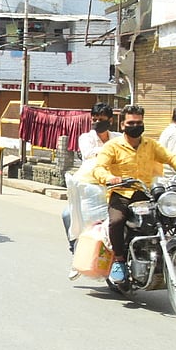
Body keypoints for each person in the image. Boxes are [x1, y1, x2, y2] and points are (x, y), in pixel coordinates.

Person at [93, 104, 176, 285]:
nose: (135, 126)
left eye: (139, 122)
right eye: (131, 122)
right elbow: (99, 168)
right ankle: (119, 260)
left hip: (145, 193)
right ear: (122, 125)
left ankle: (174, 249)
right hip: (121, 193)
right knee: (116, 221)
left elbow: (171, 157)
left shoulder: (150, 145)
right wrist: (110, 178)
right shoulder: (112, 146)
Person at [63, 102, 122, 252]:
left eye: (100, 119)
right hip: (90, 186)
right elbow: (88, 154)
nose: (96, 123)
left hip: (114, 184)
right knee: (67, 214)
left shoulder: (118, 137)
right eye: (94, 119)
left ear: (110, 121)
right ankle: (74, 247)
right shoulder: (86, 137)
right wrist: (111, 150)